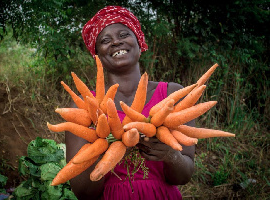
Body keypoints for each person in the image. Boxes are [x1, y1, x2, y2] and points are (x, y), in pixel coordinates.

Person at [65, 6, 195, 200]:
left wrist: (170, 155)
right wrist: (103, 151)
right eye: (105, 41)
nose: (116, 42)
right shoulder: (84, 109)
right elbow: (83, 193)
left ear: (139, 41)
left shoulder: (173, 95)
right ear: (97, 55)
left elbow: (183, 177)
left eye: (123, 34)